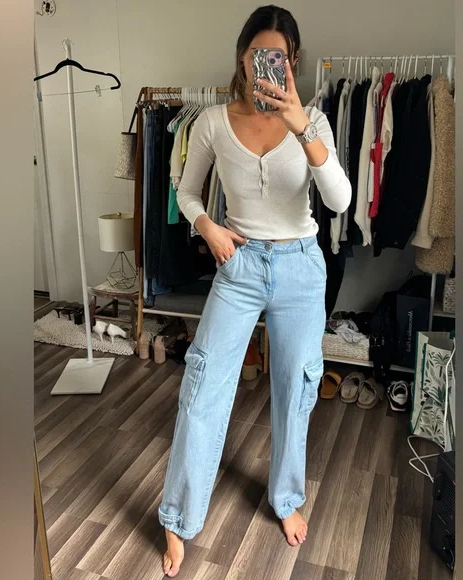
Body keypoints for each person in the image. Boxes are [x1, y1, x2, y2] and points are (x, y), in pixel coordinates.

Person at [160, 5, 351, 577]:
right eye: (258, 54)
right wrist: (208, 227)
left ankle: (286, 498)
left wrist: (299, 124)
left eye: (280, 57)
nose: (267, 65)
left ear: (293, 62)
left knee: (296, 388)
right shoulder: (212, 122)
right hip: (238, 265)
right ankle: (178, 516)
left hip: (300, 268)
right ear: (243, 58)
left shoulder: (314, 122)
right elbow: (186, 192)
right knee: (202, 384)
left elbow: (340, 200)